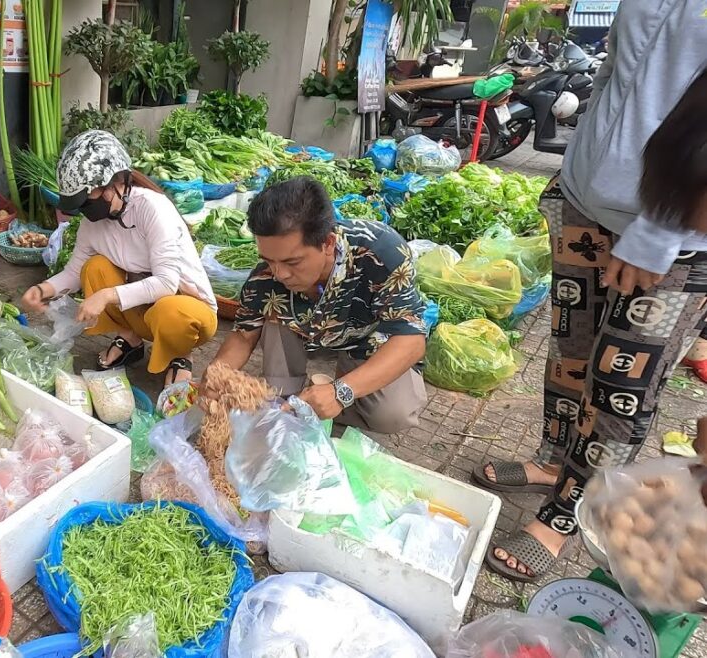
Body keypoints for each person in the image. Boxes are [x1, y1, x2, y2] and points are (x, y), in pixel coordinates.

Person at [477, 7, 707, 582]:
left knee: (620, 383)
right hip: (585, 202)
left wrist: (659, 234)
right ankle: (552, 460)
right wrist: (576, 167)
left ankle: (566, 514)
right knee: (571, 351)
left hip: (672, 231)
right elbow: (614, 76)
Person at [207, 176, 428, 434]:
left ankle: (327, 399)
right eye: (269, 260)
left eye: (292, 262)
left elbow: (412, 340)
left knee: (391, 415)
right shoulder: (266, 276)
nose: (280, 273)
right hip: (304, 333)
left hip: (365, 339)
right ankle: (285, 399)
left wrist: (342, 391)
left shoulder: (381, 253)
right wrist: (218, 373)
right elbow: (244, 335)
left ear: (328, 244)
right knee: (274, 308)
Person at [19, 130, 218, 388]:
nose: (85, 209)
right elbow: (74, 271)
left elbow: (167, 283)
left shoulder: (153, 208)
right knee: (94, 268)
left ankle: (181, 355)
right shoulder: (94, 223)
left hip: (190, 313)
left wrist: (106, 295)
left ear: (117, 183)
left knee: (171, 311)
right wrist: (41, 290)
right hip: (143, 314)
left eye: (87, 198)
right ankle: (130, 339)